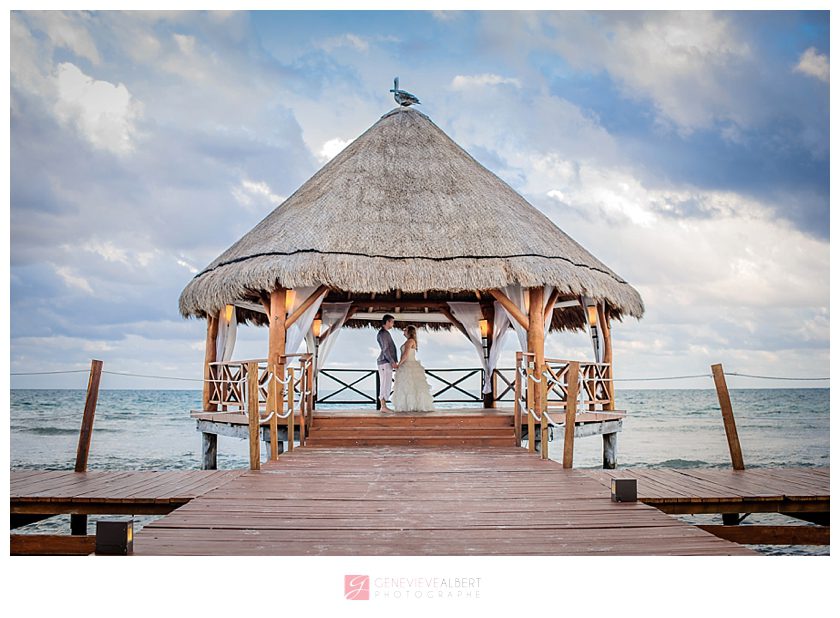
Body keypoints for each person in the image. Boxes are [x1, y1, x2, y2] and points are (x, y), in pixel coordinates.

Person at [392, 325, 435, 412]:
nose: (403, 331)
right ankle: (410, 406)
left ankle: (411, 406)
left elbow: (406, 354)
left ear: (409, 332)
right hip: (408, 364)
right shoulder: (410, 341)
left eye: (405, 330)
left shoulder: (410, 341)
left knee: (410, 386)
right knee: (409, 386)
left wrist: (399, 364)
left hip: (408, 364)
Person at [376, 314, 398, 412]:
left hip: (385, 361)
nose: (393, 324)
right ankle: (383, 406)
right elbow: (386, 349)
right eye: (392, 321)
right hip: (385, 362)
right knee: (385, 383)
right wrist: (392, 361)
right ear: (388, 322)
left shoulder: (385, 333)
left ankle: (383, 406)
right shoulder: (383, 334)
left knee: (387, 383)